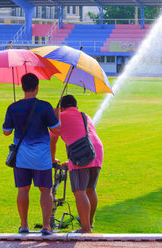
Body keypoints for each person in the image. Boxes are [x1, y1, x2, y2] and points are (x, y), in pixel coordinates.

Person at [3, 73, 60, 235]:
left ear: (22, 87)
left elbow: (6, 132)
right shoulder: (45, 106)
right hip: (42, 156)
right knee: (45, 190)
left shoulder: (13, 107)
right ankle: (46, 226)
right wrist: (57, 116)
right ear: (37, 87)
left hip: (21, 156)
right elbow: (55, 129)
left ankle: (24, 225)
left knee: (23, 189)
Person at [50, 95, 103, 233]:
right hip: (95, 151)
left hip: (81, 153)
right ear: (76, 107)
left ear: (61, 108)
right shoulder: (85, 116)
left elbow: (52, 141)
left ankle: (85, 228)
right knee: (90, 189)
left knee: (79, 191)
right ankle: (89, 223)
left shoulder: (61, 117)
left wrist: (53, 159)